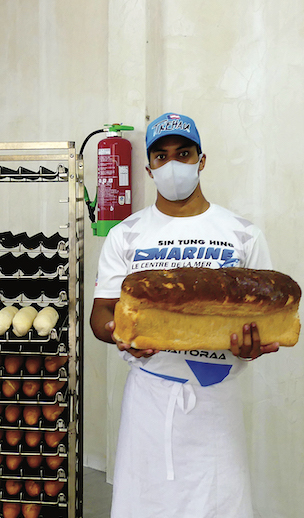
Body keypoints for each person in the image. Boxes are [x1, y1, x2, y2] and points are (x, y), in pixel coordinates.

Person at [90, 112, 280, 517]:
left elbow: (263, 318)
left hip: (216, 400)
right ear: (149, 168)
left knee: (218, 504)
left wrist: (253, 346)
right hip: (149, 399)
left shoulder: (243, 234)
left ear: (201, 160)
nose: (172, 164)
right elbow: (101, 313)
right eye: (161, 156)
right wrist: (118, 330)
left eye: (183, 153)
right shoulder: (127, 234)